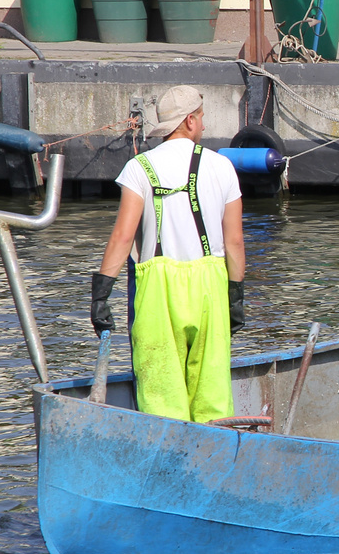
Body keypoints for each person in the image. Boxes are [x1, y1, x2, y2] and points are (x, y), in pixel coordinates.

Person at [89, 85, 246, 422]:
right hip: (210, 290)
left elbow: (121, 237)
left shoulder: (140, 167)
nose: (204, 126)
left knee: (161, 397)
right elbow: (234, 243)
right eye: (201, 118)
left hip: (158, 293)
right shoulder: (222, 168)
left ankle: (165, 458)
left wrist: (101, 295)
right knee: (211, 393)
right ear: (190, 121)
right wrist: (235, 297)